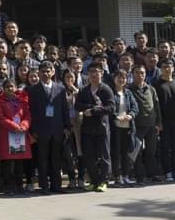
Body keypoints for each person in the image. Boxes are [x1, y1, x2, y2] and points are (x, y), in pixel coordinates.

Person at [25, 62, 68, 194]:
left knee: (56, 158)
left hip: (57, 129)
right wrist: (33, 130)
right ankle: (44, 186)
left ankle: (56, 185)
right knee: (42, 159)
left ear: (53, 72)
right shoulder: (32, 90)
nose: (46, 74)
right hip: (41, 130)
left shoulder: (60, 88)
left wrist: (67, 126)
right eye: (43, 71)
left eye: (48, 71)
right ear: (39, 73)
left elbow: (64, 109)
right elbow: (31, 111)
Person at [75, 64, 116, 192]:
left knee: (104, 156)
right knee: (89, 157)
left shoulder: (106, 89)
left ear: (102, 73)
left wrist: (94, 111)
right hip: (87, 128)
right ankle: (94, 181)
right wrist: (89, 108)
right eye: (91, 72)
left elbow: (111, 108)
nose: (93, 74)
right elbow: (77, 105)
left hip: (102, 127)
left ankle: (103, 181)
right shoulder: (83, 90)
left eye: (96, 72)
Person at [127, 65, 161, 184]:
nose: (140, 75)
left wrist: (158, 123)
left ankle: (152, 174)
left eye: (142, 73)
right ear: (132, 74)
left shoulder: (151, 89)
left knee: (151, 151)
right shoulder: (129, 89)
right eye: (137, 73)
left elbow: (156, 106)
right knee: (137, 152)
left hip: (151, 125)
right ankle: (139, 176)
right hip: (137, 125)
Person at [155, 61, 175, 182]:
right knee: (165, 147)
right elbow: (155, 106)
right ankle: (167, 172)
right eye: (164, 67)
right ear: (161, 69)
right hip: (164, 121)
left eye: (169, 67)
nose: (167, 69)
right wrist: (158, 122)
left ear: (173, 68)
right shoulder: (156, 85)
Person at [106, 71, 137, 188]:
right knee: (116, 153)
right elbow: (108, 108)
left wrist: (130, 115)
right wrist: (115, 116)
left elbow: (135, 107)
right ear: (114, 79)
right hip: (115, 127)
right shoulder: (110, 92)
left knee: (125, 153)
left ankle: (126, 176)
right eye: (119, 77)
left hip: (127, 127)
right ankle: (117, 176)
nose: (121, 80)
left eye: (124, 78)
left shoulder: (128, 93)